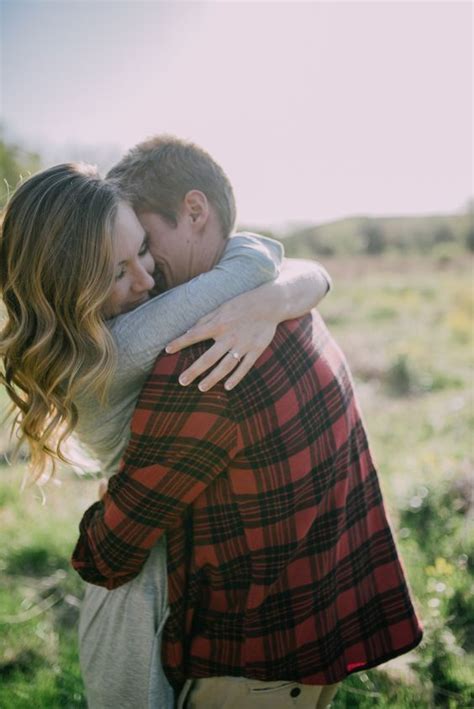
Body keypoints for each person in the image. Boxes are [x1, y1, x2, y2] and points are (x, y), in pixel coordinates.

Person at [72, 137, 423, 708]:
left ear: (193, 211)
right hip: (324, 632)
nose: (148, 276)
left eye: (145, 242)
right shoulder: (285, 307)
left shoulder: (202, 358)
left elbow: (108, 554)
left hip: (249, 667)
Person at [0, 153, 332, 708]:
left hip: (159, 543)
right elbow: (256, 259)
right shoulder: (115, 351)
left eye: (144, 250)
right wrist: (280, 295)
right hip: (137, 592)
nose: (148, 279)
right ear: (64, 286)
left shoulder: (88, 333)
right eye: (117, 271)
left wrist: (288, 292)